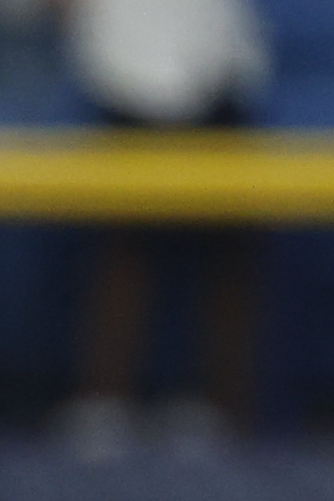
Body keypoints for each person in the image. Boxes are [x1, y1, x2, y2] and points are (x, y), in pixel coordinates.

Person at [58, 0, 267, 445]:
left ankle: (219, 407)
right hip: (124, 73)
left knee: (225, 255)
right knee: (121, 249)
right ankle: (105, 401)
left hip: (218, 69)